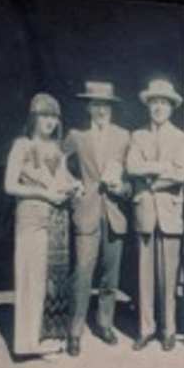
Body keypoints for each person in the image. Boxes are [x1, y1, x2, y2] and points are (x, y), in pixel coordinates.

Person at [0, 91, 73, 359]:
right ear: (34, 118)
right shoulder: (22, 145)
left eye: (54, 116)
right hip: (31, 219)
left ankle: (46, 337)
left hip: (56, 222)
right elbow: (9, 186)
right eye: (45, 116)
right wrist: (45, 193)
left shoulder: (57, 148)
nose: (50, 122)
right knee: (31, 279)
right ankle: (27, 344)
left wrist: (74, 185)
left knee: (51, 282)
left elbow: (63, 178)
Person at [63, 79, 133, 349]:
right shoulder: (76, 136)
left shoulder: (124, 136)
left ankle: (105, 324)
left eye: (105, 105)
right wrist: (73, 184)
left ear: (111, 108)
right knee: (82, 272)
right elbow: (56, 163)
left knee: (110, 275)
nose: (101, 110)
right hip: (87, 211)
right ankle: (75, 331)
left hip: (114, 211)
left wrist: (123, 187)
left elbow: (131, 178)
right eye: (96, 105)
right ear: (88, 108)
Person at [122, 74, 184, 345]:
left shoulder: (181, 137)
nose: (158, 107)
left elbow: (180, 173)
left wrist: (150, 172)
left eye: (163, 102)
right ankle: (145, 329)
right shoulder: (137, 136)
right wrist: (159, 166)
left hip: (170, 213)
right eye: (154, 103)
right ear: (148, 106)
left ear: (172, 107)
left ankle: (168, 330)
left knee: (168, 276)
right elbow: (131, 167)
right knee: (144, 275)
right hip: (145, 212)